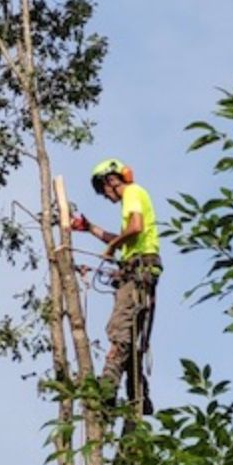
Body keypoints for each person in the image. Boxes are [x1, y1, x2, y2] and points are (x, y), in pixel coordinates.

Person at [71, 158, 161, 414]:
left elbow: (135, 228)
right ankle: (138, 396)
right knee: (131, 338)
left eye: (103, 189)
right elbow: (125, 239)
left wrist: (110, 248)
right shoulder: (134, 198)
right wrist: (89, 229)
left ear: (110, 180)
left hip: (138, 272)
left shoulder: (132, 192)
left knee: (119, 330)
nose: (104, 195)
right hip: (141, 270)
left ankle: (107, 389)